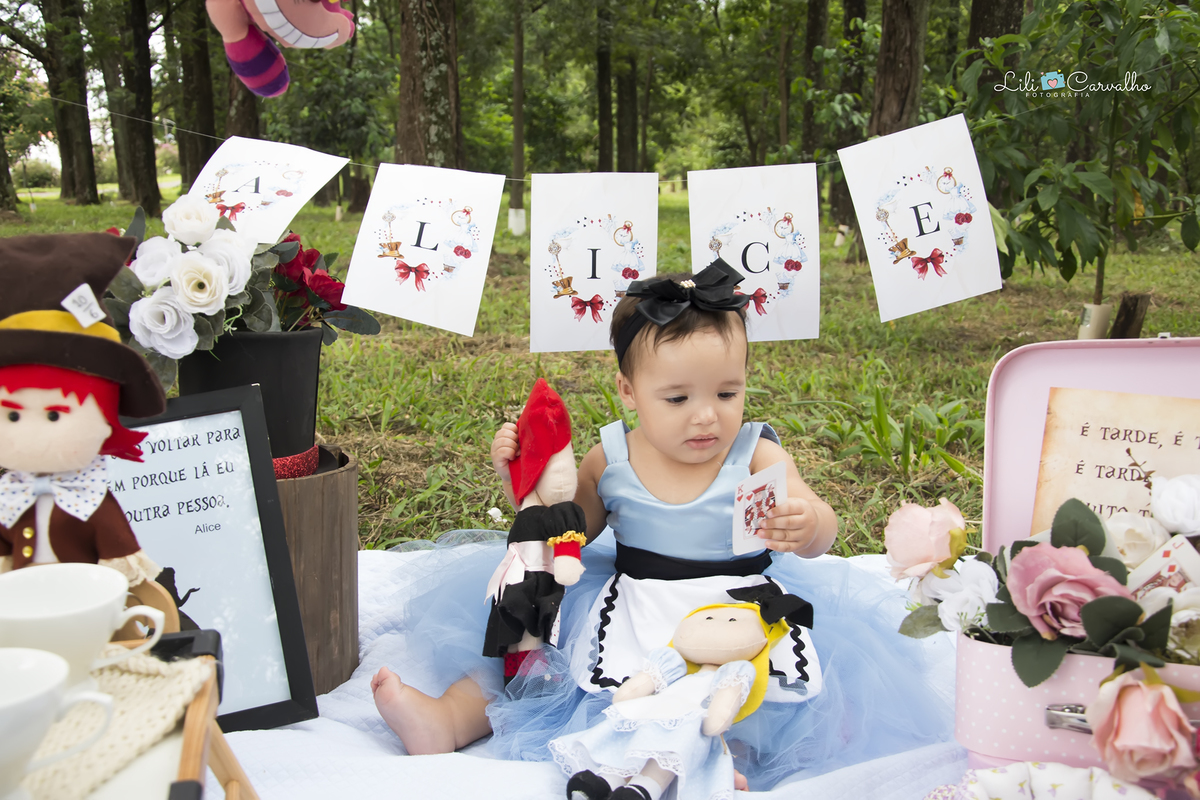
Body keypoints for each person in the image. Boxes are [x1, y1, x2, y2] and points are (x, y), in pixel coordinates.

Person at [372, 260, 952, 787]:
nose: (707, 415)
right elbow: (567, 528)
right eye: (677, 398)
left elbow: (819, 524)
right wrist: (520, 481)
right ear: (629, 392)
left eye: (728, 391)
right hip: (634, 601)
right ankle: (449, 719)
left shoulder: (757, 454)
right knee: (531, 638)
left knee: (748, 690)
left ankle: (712, 760)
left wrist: (808, 522)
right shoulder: (612, 458)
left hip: (739, 605)